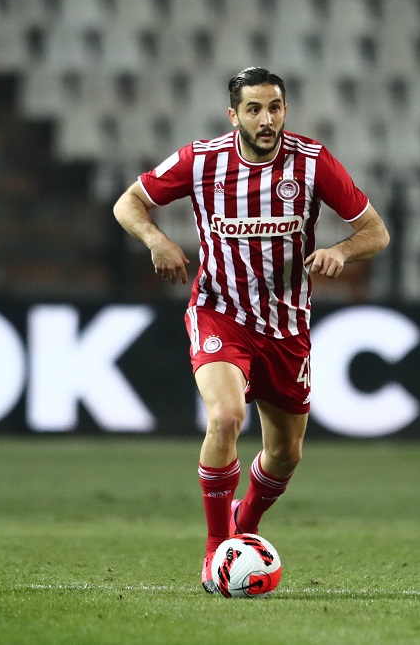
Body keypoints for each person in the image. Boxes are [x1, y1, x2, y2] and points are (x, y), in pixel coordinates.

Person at [112, 67, 390, 593]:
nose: (267, 119)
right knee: (225, 418)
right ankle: (217, 548)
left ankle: (246, 523)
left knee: (286, 454)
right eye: (255, 109)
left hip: (286, 327)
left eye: (275, 107)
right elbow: (128, 202)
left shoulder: (312, 162)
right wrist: (156, 240)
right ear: (233, 115)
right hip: (221, 311)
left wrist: (340, 251)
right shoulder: (202, 160)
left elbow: (376, 232)